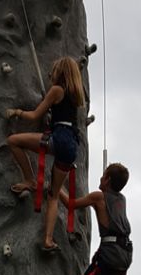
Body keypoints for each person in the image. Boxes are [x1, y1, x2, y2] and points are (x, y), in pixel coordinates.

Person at [6, 56, 85, 251]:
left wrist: (17, 112)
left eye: (55, 70)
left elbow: (34, 115)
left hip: (59, 139)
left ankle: (29, 180)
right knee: (54, 195)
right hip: (71, 146)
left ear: (61, 73)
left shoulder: (56, 90)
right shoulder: (75, 96)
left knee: (14, 141)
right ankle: (48, 240)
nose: (51, 74)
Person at [59, 162, 132, 275]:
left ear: (107, 180)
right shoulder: (121, 199)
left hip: (111, 254)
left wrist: (57, 186)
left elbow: (71, 204)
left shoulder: (98, 197)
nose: (100, 177)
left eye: (103, 175)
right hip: (125, 253)